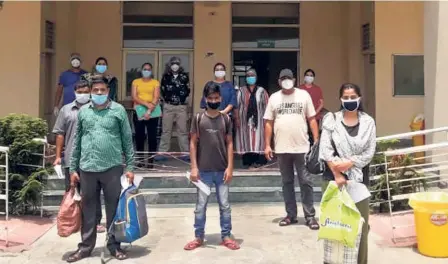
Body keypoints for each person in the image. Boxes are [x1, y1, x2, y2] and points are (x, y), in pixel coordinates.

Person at [67, 77, 134, 263]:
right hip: (87, 168)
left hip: (112, 167)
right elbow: (77, 142)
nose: (98, 93)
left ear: (108, 91)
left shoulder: (118, 111)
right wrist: (73, 168)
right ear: (90, 91)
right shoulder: (83, 113)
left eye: (102, 90)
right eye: (95, 90)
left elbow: (128, 141)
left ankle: (114, 246)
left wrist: (130, 166)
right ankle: (86, 247)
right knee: (89, 210)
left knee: (113, 209)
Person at [319, 83, 376, 264]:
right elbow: (325, 149)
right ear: (340, 99)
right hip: (334, 181)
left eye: (353, 97)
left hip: (359, 183)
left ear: (359, 98)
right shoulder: (331, 119)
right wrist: (337, 173)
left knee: (360, 228)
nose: (350, 100)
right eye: (346, 97)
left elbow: (369, 152)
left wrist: (350, 162)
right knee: (334, 227)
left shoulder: (368, 122)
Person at [184, 82, 240, 251]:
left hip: (222, 170)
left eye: (216, 98)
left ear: (221, 99)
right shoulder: (198, 118)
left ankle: (226, 236)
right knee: (200, 206)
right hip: (203, 172)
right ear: (205, 99)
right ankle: (198, 236)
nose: (214, 100)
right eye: (210, 98)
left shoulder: (226, 119)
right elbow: (193, 143)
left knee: (225, 205)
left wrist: (230, 167)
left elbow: (230, 144)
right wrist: (194, 167)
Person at [263, 68, 320, 229]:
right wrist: (267, 145)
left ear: (294, 80)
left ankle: (310, 216)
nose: (286, 80)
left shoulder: (303, 95)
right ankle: (291, 215)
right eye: (283, 78)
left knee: (306, 182)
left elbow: (312, 118)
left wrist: (316, 140)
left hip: (302, 147)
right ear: (279, 81)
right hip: (281, 149)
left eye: (289, 78)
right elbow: (268, 122)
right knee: (287, 182)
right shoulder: (274, 98)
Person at [52, 80, 105, 234]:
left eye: (85, 91)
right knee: (72, 192)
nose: (82, 94)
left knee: (93, 193)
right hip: (71, 159)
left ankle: (95, 222)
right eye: (80, 92)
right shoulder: (66, 110)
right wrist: (58, 156)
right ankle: (74, 221)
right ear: (75, 92)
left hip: (93, 159)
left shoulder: (97, 108)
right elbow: (60, 134)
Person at [235, 68, 269, 168]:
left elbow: (267, 106)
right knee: (246, 141)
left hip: (259, 122)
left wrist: (267, 122)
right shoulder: (241, 91)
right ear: (246, 78)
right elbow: (236, 106)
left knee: (259, 140)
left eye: (252, 75)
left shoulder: (262, 91)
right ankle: (248, 161)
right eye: (249, 75)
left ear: (256, 77)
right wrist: (236, 118)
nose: (251, 77)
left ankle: (259, 161)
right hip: (243, 122)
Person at [158, 56, 191, 159]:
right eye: (173, 63)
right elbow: (162, 90)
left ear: (180, 65)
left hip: (181, 107)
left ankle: (185, 153)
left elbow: (188, 90)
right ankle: (162, 153)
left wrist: (186, 104)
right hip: (168, 106)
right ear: (170, 65)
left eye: (176, 63)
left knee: (182, 130)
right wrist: (165, 101)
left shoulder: (185, 76)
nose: (175, 65)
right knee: (166, 130)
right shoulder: (165, 76)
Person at [131, 62, 161, 167]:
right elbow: (134, 96)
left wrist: (149, 109)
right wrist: (146, 105)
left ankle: (150, 160)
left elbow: (156, 97)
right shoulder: (136, 82)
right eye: (144, 69)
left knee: (152, 137)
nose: (146, 71)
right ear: (141, 70)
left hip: (152, 111)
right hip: (139, 110)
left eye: (148, 69)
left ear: (151, 71)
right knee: (139, 136)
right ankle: (140, 160)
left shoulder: (155, 82)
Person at [299, 69, 324, 145]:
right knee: (303, 137)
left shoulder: (317, 89)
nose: (309, 77)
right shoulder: (299, 89)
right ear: (304, 77)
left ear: (313, 77)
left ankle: (313, 154)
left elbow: (321, 104)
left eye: (311, 75)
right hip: (302, 117)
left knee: (313, 137)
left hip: (314, 117)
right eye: (307, 75)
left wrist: (314, 113)